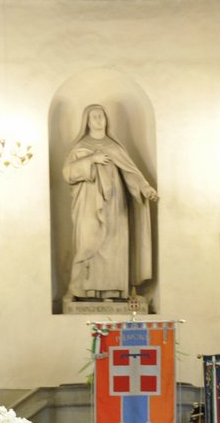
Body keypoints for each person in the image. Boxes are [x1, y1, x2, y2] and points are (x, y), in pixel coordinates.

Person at [63, 104, 158, 302]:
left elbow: (131, 173)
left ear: (107, 120)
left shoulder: (114, 147)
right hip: (88, 204)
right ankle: (81, 291)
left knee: (114, 245)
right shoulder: (80, 147)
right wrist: (92, 159)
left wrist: (145, 187)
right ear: (87, 122)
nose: (98, 120)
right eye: (94, 116)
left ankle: (112, 292)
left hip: (115, 205)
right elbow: (68, 173)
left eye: (101, 116)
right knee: (87, 242)